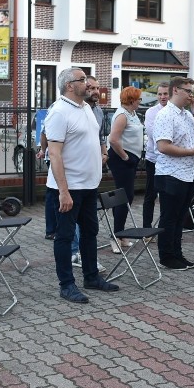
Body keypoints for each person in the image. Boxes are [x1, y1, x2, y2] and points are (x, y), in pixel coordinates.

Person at [45, 67, 117, 303]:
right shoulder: (59, 112)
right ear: (69, 86)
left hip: (88, 185)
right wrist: (63, 191)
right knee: (65, 237)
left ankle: (91, 277)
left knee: (90, 232)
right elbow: (54, 154)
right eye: (82, 80)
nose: (88, 84)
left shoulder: (86, 107)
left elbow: (93, 141)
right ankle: (66, 285)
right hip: (69, 187)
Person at [154, 77, 194, 270]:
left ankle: (177, 253)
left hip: (188, 174)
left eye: (191, 91)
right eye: (187, 91)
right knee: (169, 218)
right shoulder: (165, 114)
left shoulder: (186, 115)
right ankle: (166, 256)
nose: (191, 95)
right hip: (170, 174)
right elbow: (163, 146)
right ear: (175, 90)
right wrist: (189, 152)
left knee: (180, 218)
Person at [107, 86, 144, 246]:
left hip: (131, 158)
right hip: (121, 159)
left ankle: (119, 233)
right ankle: (116, 235)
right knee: (124, 196)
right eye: (139, 99)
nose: (140, 101)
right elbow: (113, 139)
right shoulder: (122, 115)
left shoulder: (133, 114)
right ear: (131, 100)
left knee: (126, 196)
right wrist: (125, 157)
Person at [142, 83, 170, 229]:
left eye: (165, 94)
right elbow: (154, 134)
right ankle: (147, 228)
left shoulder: (177, 111)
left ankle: (168, 228)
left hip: (171, 160)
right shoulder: (151, 112)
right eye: (159, 94)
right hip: (154, 158)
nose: (162, 97)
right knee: (150, 195)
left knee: (169, 196)